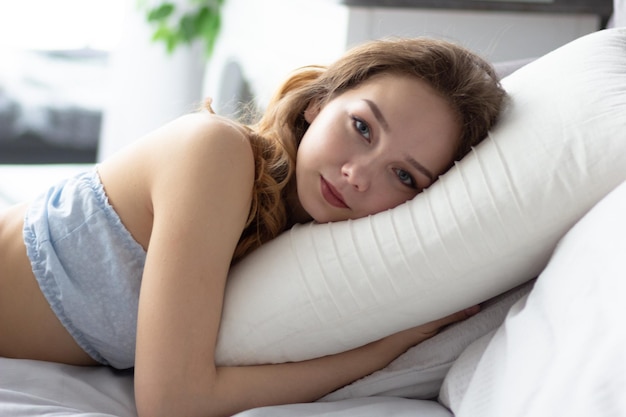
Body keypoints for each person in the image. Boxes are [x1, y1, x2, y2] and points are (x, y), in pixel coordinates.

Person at [0, 37, 505, 417]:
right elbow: (173, 402)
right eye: (362, 127)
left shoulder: (297, 238)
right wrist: (385, 350)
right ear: (318, 103)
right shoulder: (217, 154)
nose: (357, 174)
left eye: (402, 174)